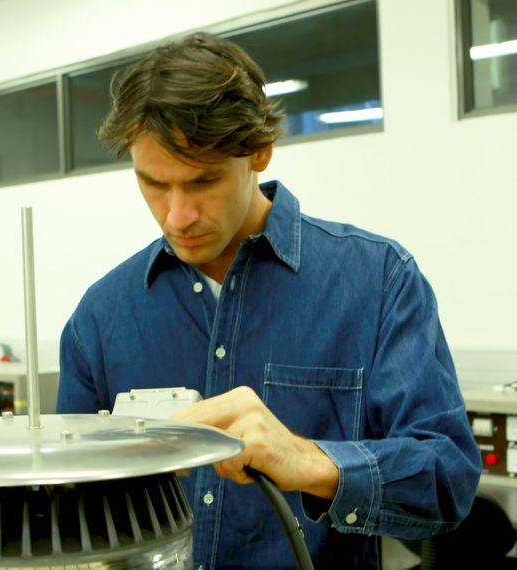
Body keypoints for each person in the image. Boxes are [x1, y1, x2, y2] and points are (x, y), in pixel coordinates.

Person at [57, 32, 481, 569]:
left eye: (203, 181)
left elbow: (447, 479)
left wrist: (307, 459)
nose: (176, 217)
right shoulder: (101, 316)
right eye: (154, 185)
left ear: (260, 152)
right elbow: (66, 511)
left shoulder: (377, 282)